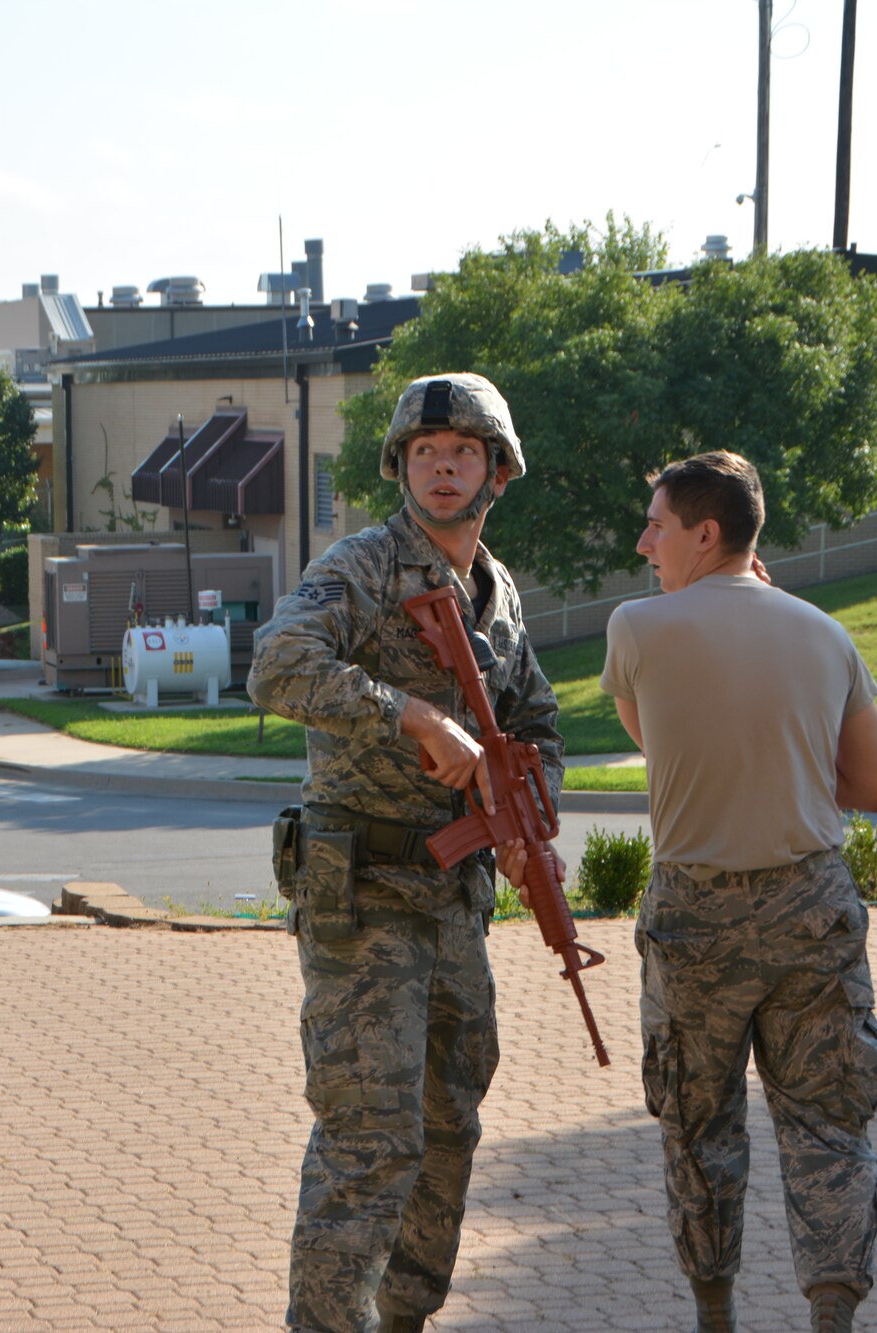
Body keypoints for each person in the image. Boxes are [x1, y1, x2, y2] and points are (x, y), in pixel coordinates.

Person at [248, 373, 564, 1333]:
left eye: (462, 452)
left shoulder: (497, 592)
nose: (441, 467)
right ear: (399, 466)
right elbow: (276, 664)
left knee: (447, 1131)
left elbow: (537, 721)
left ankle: (403, 1318)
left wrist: (523, 814)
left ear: (497, 472)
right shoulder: (362, 566)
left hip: (454, 897)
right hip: (366, 896)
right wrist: (412, 716)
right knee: (367, 1140)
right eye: (425, 453)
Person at [593, 451, 877, 1333]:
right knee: (828, 1126)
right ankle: (833, 1313)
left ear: (705, 532)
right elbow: (868, 785)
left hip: (697, 918)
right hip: (814, 908)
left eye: (657, 524)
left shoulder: (636, 628)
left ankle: (714, 1314)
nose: (645, 541)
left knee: (699, 1126)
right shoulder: (826, 633)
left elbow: (663, 743)